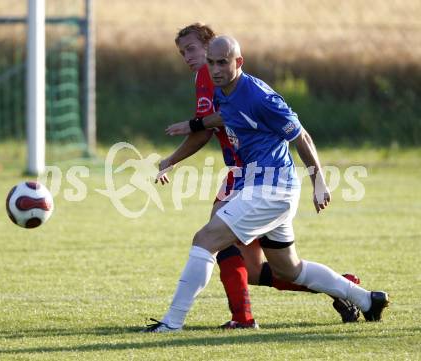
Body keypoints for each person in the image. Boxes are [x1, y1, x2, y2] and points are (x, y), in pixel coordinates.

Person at [147, 28, 372, 332]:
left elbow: (301, 135)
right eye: (211, 63)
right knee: (287, 269)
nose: (214, 69)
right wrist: (193, 123)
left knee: (206, 239)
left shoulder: (260, 95)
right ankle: (365, 298)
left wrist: (318, 181)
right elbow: (227, 116)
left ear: (238, 61)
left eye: (221, 63)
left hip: (270, 186)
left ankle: (173, 324)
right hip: (255, 184)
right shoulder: (221, 89)